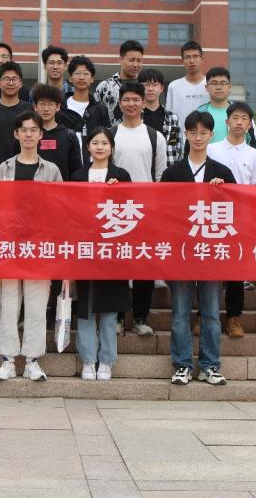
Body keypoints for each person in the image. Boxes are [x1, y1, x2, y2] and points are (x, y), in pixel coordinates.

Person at [162, 110, 236, 386]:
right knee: (180, 313)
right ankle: (182, 364)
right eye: (193, 132)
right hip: (181, 253)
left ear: (211, 135)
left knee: (211, 314)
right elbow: (163, 210)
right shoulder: (172, 173)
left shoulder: (222, 172)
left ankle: (210, 365)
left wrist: (222, 192)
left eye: (203, 132)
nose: (197, 137)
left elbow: (236, 209)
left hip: (211, 254)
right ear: (185, 134)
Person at [0, 111, 63, 382]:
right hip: (10, 244)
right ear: (16, 134)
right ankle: (8, 360)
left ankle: (32, 360)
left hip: (39, 245)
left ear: (41, 135)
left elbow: (59, 207)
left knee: (36, 304)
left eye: (34, 130)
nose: (29, 134)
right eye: (24, 130)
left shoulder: (51, 170)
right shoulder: (4, 168)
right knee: (9, 303)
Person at [70, 128, 132, 381]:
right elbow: (69, 210)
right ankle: (88, 359)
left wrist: (119, 192)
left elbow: (131, 211)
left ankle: (106, 360)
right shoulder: (78, 175)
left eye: (104, 143)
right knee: (85, 308)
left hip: (112, 251)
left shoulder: (121, 175)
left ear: (111, 148)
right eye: (95, 142)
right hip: (84, 249)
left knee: (109, 309)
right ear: (88, 147)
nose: (99, 147)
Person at [110, 81, 167, 337]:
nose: (131, 104)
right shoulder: (111, 134)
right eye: (126, 99)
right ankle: (118, 316)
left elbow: (161, 174)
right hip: (116, 210)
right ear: (119, 103)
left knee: (144, 264)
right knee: (119, 265)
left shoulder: (155, 136)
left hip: (146, 210)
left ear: (144, 103)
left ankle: (141, 317)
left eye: (136, 100)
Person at [207, 101, 256, 338]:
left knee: (236, 270)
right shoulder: (211, 150)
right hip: (212, 216)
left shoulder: (254, 155)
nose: (239, 122)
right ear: (226, 121)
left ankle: (233, 317)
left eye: (244, 119)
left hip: (241, 218)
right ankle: (204, 315)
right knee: (209, 269)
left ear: (250, 125)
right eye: (235, 118)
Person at [0, 61, 33, 178]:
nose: (10, 83)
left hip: (24, 170)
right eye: (6, 79)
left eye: (14, 79)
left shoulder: (29, 110)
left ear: (21, 83)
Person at [57, 55, 112, 167]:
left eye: (86, 74)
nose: (81, 77)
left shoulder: (100, 109)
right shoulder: (60, 108)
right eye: (77, 73)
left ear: (92, 79)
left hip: (94, 167)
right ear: (70, 78)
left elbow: (107, 140)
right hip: (64, 166)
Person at [195, 67, 256, 148]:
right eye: (214, 83)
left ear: (229, 87)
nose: (219, 87)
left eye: (223, 83)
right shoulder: (199, 113)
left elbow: (254, 145)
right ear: (206, 87)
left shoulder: (243, 113)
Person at [32, 83, 83, 181]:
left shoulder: (69, 136)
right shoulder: (29, 135)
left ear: (58, 107)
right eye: (42, 103)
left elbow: (76, 171)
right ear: (35, 106)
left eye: (51, 104)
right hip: (34, 188)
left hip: (61, 188)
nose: (46, 108)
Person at [137, 68, 183, 165]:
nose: (150, 88)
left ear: (161, 88)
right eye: (146, 85)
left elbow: (175, 145)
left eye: (154, 84)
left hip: (168, 168)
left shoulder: (172, 118)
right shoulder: (134, 117)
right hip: (141, 167)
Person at [94, 40, 144, 121]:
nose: (135, 64)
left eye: (139, 61)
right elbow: (95, 116)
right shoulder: (105, 87)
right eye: (131, 60)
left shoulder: (146, 87)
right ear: (120, 59)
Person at [166, 41, 210, 120]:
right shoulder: (174, 86)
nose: (192, 61)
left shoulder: (210, 85)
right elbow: (169, 116)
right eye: (187, 57)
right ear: (182, 61)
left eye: (195, 56)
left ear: (202, 59)